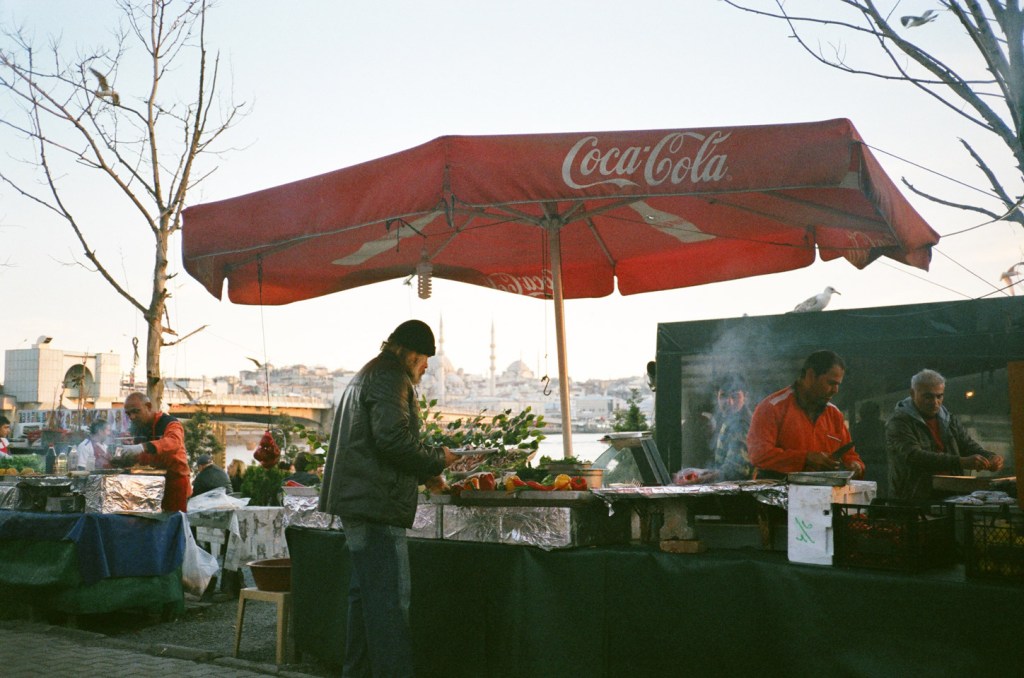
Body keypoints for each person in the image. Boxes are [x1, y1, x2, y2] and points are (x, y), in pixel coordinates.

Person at [319, 319, 459, 677]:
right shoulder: (390, 378)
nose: (427, 367)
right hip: (375, 504)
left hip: (359, 501)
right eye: (426, 359)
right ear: (411, 353)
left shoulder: (366, 374)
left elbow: (376, 440)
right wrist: (438, 458)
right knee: (390, 603)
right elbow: (393, 440)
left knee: (366, 598)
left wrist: (429, 474)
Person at [886, 369, 1004, 501]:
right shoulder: (899, 422)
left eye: (939, 396)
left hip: (952, 494)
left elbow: (968, 445)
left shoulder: (949, 420)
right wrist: (961, 462)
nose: (935, 402)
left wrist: (990, 457)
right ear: (913, 394)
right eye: (928, 396)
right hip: (914, 498)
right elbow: (914, 456)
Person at [748, 350, 865, 479]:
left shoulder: (834, 414)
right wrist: (805, 458)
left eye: (838, 385)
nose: (836, 390)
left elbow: (849, 455)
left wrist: (856, 465)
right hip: (778, 495)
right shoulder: (772, 408)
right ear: (810, 375)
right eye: (831, 383)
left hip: (822, 495)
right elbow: (758, 455)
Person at [119, 392, 191, 512]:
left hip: (174, 482)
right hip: (150, 482)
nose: (132, 417)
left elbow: (174, 442)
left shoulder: (170, 423)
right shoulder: (138, 429)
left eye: (136, 411)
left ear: (148, 406)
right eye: (128, 414)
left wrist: (142, 447)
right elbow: (141, 458)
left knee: (174, 522)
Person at [711, 376, 754, 480]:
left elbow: (735, 470)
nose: (729, 402)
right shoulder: (728, 419)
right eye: (723, 396)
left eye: (735, 396)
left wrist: (702, 479)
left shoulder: (742, 424)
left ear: (746, 398)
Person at [850, 401, 887, 497]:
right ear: (878, 413)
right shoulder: (884, 426)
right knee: (881, 495)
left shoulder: (856, 428)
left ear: (862, 413)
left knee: (865, 496)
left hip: (864, 467)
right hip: (881, 466)